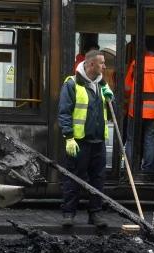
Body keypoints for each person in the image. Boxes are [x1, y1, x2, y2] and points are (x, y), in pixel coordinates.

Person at [58, 49, 113, 228]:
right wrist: (68, 137)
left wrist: (111, 97)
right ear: (91, 64)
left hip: (98, 141)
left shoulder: (101, 85)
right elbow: (64, 112)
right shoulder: (72, 84)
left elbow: (110, 111)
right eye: (102, 63)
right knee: (73, 177)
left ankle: (95, 214)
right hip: (79, 141)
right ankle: (68, 214)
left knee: (98, 178)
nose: (104, 66)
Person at [124, 38, 154, 172]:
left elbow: (126, 88)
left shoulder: (136, 63)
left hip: (135, 110)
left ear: (145, 49)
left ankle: (130, 169)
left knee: (131, 140)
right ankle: (147, 170)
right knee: (150, 140)